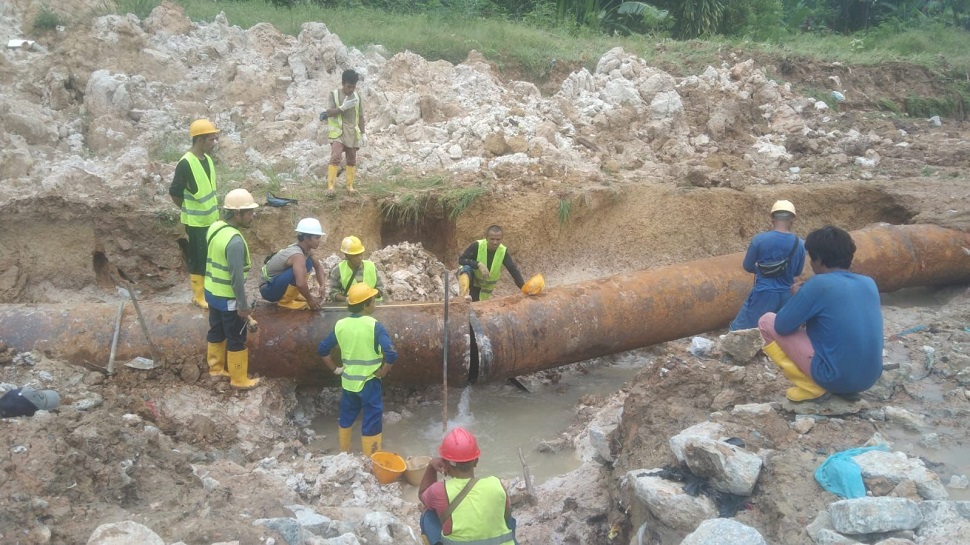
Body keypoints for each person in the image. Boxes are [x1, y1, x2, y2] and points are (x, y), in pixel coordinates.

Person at [758, 226, 884, 402]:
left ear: (819, 259)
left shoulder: (819, 284)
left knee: (766, 321)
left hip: (835, 377)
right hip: (869, 378)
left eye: (811, 258)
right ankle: (839, 387)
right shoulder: (869, 283)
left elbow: (782, 326)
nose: (810, 263)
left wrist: (797, 298)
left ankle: (812, 387)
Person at [318, 283, 396, 455]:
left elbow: (322, 349)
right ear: (366, 305)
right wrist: (383, 371)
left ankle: (344, 452)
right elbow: (391, 353)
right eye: (373, 300)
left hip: (348, 382)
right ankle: (371, 457)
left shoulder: (341, 325)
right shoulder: (374, 325)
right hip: (369, 381)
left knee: (346, 416)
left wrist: (336, 370)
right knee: (372, 418)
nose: (375, 303)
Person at [419, 427, 517, 545]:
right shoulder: (496, 484)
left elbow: (422, 494)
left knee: (428, 513)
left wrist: (431, 466)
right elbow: (507, 518)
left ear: (445, 463)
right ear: (476, 461)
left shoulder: (439, 490)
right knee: (507, 518)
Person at [204, 188, 261, 389]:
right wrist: (243, 306)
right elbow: (236, 279)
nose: (253, 216)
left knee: (216, 330)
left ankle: (216, 370)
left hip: (211, 293)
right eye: (249, 212)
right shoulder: (235, 241)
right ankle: (239, 379)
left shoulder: (215, 227)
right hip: (228, 297)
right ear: (237, 214)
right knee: (236, 337)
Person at [729, 200, 806, 331]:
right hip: (787, 295)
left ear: (772, 219)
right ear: (792, 220)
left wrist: (762, 270)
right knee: (778, 332)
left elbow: (747, 266)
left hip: (763, 294)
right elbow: (797, 272)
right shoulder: (800, 244)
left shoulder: (759, 240)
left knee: (740, 330)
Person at [169, 119, 221, 309]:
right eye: (211, 140)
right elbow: (175, 192)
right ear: (199, 140)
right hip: (196, 222)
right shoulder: (186, 163)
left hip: (210, 220)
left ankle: (209, 291)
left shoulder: (206, 160)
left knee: (208, 257)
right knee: (198, 258)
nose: (214, 143)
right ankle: (199, 295)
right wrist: (188, 210)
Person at [260, 218, 327, 311]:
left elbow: (318, 266)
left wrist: (322, 285)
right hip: (268, 290)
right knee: (305, 265)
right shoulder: (297, 255)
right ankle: (285, 302)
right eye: (317, 237)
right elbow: (300, 283)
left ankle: (292, 296)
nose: (319, 240)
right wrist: (310, 300)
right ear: (306, 238)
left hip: (274, 285)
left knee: (308, 263)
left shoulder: (306, 250)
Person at [324, 69, 366, 195]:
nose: (351, 90)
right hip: (338, 133)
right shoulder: (335, 95)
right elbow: (329, 112)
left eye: (353, 87)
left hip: (352, 133)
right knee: (336, 156)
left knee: (352, 159)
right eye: (348, 87)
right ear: (343, 83)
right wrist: (342, 108)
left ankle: (350, 186)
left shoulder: (357, 97)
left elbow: (361, 117)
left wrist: (363, 133)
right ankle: (330, 187)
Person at [457, 226, 525, 302]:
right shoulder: (477, 245)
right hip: (472, 282)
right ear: (486, 238)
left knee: (475, 307)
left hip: (484, 289)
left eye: (498, 239)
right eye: (492, 239)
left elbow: (513, 270)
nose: (495, 242)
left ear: (502, 239)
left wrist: (524, 287)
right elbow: (461, 260)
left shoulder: (503, 252)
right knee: (465, 268)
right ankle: (463, 297)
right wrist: (478, 264)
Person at [328, 236, 385, 303]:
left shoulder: (371, 267)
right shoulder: (338, 271)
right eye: (356, 255)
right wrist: (347, 300)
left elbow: (380, 289)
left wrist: (367, 297)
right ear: (347, 256)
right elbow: (333, 293)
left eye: (361, 254)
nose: (360, 257)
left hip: (372, 308)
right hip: (350, 310)